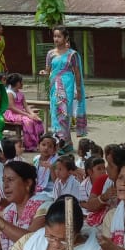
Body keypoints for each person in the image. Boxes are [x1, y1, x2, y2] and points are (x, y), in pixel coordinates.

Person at [42, 26, 87, 154]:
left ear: (66, 38)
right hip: (54, 87)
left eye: (59, 36)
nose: (56, 39)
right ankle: (66, 143)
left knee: (63, 114)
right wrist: (44, 73)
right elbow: (48, 71)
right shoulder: (50, 54)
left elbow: (77, 73)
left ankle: (61, 143)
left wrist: (79, 90)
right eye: (54, 36)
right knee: (55, 113)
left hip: (67, 86)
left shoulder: (72, 54)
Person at [2, 73, 44, 151]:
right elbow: (12, 108)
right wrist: (27, 115)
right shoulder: (9, 93)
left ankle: (37, 142)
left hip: (20, 112)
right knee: (28, 121)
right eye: (21, 81)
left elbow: (26, 106)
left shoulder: (20, 93)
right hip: (12, 113)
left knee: (37, 120)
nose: (22, 83)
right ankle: (29, 145)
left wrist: (32, 114)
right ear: (16, 83)